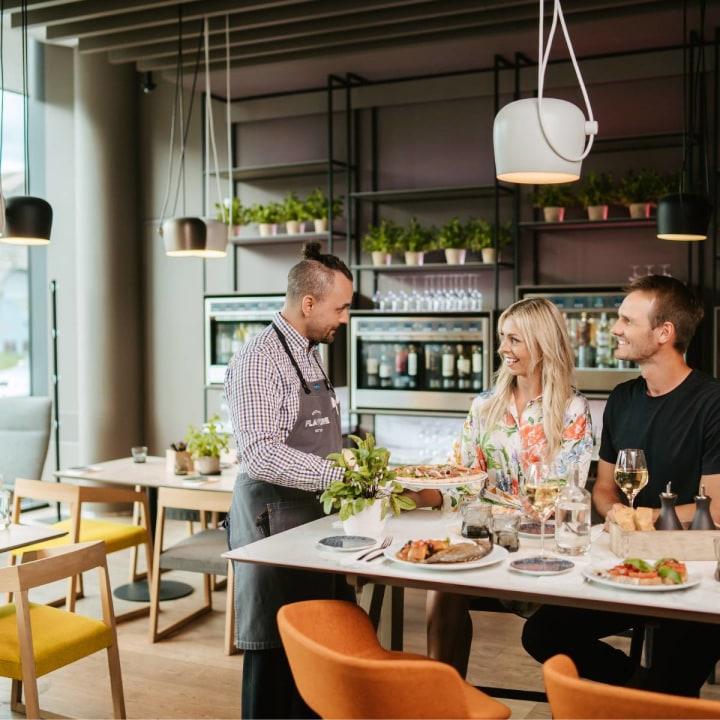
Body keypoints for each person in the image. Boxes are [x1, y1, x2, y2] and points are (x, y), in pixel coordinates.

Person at [522, 275, 720, 697]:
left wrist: (643, 518)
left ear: (663, 333)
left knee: (674, 683)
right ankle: (632, 686)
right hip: (626, 563)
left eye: (627, 320)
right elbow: (605, 487)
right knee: (542, 634)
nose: (615, 329)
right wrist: (617, 515)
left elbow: (716, 509)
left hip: (693, 571)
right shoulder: (623, 397)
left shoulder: (712, 402)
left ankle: (651, 695)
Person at [423, 297, 594, 677]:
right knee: (441, 579)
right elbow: (464, 479)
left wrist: (506, 508)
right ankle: (443, 695)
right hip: (485, 538)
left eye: (514, 340)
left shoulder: (572, 410)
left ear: (541, 343)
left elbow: (565, 492)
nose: (503, 349)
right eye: (503, 338)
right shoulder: (484, 406)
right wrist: (421, 492)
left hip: (540, 543)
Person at [225, 242, 354, 719]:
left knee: (316, 648)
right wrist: (338, 478)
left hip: (312, 520)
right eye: (340, 307)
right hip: (272, 523)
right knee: (274, 654)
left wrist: (349, 467)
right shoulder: (261, 358)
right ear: (308, 303)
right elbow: (260, 453)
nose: (343, 318)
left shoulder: (307, 353)